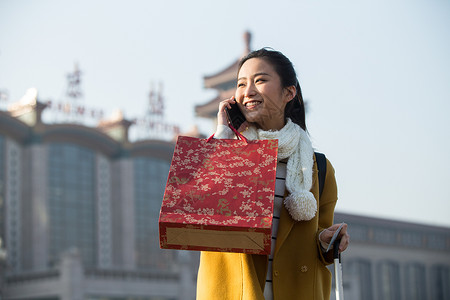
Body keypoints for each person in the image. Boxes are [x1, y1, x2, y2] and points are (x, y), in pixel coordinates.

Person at [196, 48, 350, 300]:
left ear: (289, 92)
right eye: (241, 84)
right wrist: (224, 132)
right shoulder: (226, 155)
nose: (248, 91)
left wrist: (326, 240)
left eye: (260, 80)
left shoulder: (319, 168)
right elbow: (199, 209)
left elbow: (319, 245)